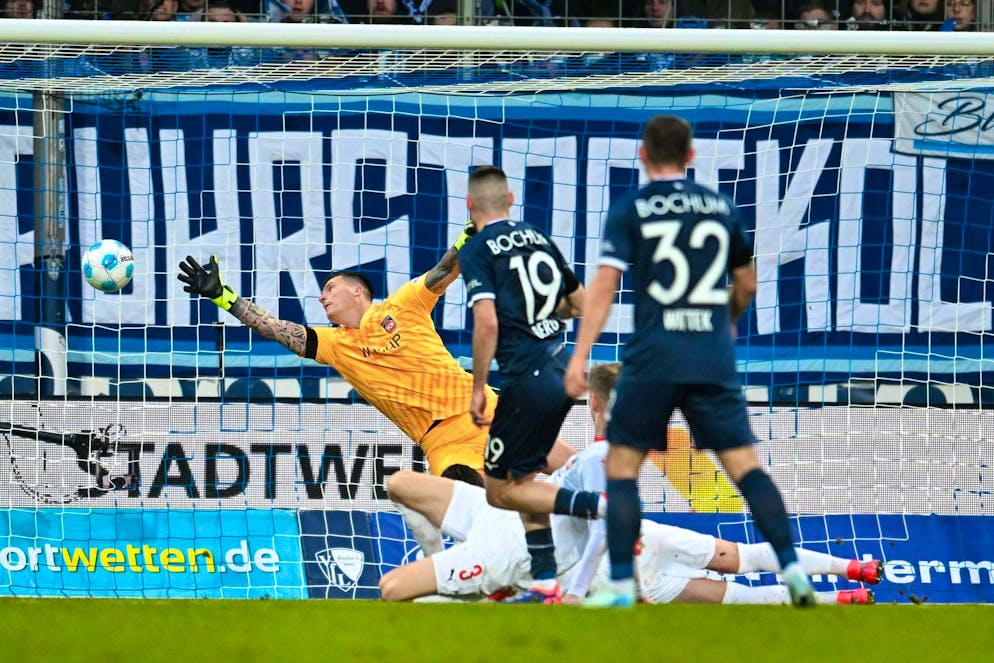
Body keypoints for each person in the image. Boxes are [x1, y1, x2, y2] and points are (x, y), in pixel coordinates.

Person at [564, 114, 817, 608]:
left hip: (654, 356)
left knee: (621, 467)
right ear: (691, 156)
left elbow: (604, 288)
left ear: (642, 155)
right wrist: (724, 323)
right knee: (746, 469)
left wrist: (579, 355)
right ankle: (792, 569)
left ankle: (619, 586)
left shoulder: (632, 208)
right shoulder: (721, 207)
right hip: (710, 357)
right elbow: (746, 284)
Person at [377, 363, 882, 605]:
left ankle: (843, 591)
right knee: (400, 481)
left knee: (392, 589)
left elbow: (600, 521)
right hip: (510, 519)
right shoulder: (594, 455)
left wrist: (576, 590)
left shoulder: (600, 457)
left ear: (593, 405)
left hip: (521, 554)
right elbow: (564, 464)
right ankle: (849, 575)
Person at [178, 224, 576, 481]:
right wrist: (223, 296)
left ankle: (623, 547)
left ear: (357, 291)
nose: (321, 297)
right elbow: (276, 330)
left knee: (577, 471)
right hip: (444, 442)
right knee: (481, 510)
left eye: (330, 288)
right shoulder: (335, 345)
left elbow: (442, 271)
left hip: (487, 406)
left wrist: (466, 240)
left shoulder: (402, 305)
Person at [458, 165, 604, 604]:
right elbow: (579, 304)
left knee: (500, 489)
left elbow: (486, 323)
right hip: (559, 366)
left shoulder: (479, 249)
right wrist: (539, 317)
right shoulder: (538, 237)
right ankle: (544, 580)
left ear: (470, 205)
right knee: (524, 475)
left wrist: (479, 386)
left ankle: (601, 509)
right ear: (511, 199)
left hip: (526, 378)